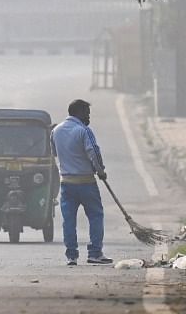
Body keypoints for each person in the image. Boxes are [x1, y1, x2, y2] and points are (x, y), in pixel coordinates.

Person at [51, 99, 112, 265]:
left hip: (66, 183)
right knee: (96, 216)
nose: (88, 117)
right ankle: (95, 253)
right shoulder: (84, 130)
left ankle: (71, 255)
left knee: (68, 220)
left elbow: (54, 152)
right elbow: (94, 152)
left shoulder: (56, 130)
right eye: (87, 113)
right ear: (79, 112)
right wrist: (101, 171)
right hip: (86, 183)